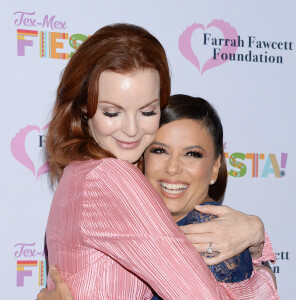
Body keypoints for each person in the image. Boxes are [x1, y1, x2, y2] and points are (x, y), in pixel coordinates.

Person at [41, 23, 271, 300]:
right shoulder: (111, 177)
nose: (131, 129)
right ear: (82, 107)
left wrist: (256, 238)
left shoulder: (77, 174)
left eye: (147, 111)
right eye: (112, 112)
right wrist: (265, 278)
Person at [143, 94, 278, 299]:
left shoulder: (217, 240)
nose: (172, 168)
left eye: (192, 154)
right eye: (160, 150)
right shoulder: (130, 220)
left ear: (215, 168)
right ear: (142, 158)